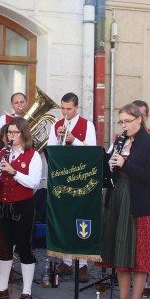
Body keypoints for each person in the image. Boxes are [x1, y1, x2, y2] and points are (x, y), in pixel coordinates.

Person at [103, 104, 150, 299]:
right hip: (119, 198)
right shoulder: (120, 141)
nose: (124, 126)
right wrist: (110, 165)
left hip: (139, 203)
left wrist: (125, 164)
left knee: (138, 256)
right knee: (121, 252)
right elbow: (111, 171)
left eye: (127, 121)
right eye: (121, 122)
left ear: (139, 119)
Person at [0, 117, 42, 299]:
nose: (11, 136)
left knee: (24, 247)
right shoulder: (1, 153)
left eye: (15, 133)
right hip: (1, 204)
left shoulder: (33, 155)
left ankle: (26, 292)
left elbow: (34, 183)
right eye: (9, 132)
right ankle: (2, 288)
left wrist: (13, 172)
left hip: (23, 205)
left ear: (23, 134)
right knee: (4, 246)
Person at [48, 92, 97, 282]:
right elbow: (51, 152)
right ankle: (67, 262)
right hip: (63, 178)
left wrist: (73, 140)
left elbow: (93, 151)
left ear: (76, 108)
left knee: (81, 219)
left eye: (69, 109)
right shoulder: (56, 125)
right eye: (63, 108)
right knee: (65, 218)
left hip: (82, 178)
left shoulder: (87, 125)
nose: (65, 112)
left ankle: (82, 265)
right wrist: (59, 141)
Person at [0, 93, 26, 270]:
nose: (19, 105)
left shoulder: (28, 123)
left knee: (17, 232)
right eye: (16, 102)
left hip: (20, 195)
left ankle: (10, 264)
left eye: (22, 102)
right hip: (0, 198)